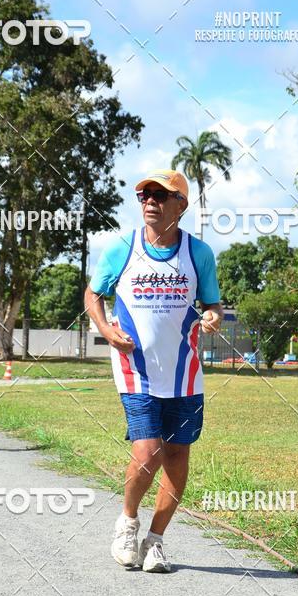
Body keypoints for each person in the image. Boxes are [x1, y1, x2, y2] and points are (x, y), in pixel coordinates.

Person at [85, 169, 223, 572]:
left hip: (184, 373)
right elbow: (94, 293)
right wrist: (106, 329)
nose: (150, 201)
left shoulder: (198, 254)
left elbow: (212, 303)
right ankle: (127, 523)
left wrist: (213, 316)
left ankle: (156, 541)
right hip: (136, 370)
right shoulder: (123, 249)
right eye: (145, 194)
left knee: (178, 455)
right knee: (148, 452)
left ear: (180, 206)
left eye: (161, 196)